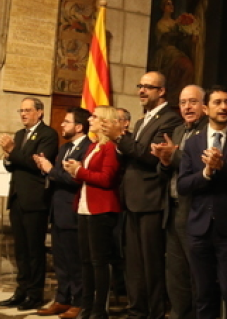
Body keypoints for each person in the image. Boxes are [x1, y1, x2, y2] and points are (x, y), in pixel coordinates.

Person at [178, 86, 227, 319]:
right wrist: (206, 173)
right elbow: (182, 185)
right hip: (199, 228)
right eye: (218, 102)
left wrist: (222, 168)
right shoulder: (193, 143)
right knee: (203, 293)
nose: (224, 107)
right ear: (205, 108)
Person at [116, 71, 183, 319]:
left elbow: (149, 156)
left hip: (151, 200)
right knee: (134, 264)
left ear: (161, 91)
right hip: (133, 199)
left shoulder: (170, 119)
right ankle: (137, 311)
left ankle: (154, 312)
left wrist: (119, 138)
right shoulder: (142, 120)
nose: (141, 91)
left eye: (148, 87)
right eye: (140, 86)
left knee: (151, 263)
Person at [147, 84, 208, 319]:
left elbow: (200, 164)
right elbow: (165, 171)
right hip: (173, 208)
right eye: (183, 103)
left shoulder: (208, 131)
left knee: (196, 272)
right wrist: (164, 161)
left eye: (193, 102)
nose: (187, 107)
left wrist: (173, 155)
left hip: (195, 209)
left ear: (204, 106)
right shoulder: (179, 131)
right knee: (175, 272)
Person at [0, 97, 59, 310]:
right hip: (17, 198)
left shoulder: (47, 134)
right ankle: (21, 291)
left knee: (34, 250)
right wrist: (8, 158)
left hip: (35, 200)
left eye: (27, 110)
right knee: (21, 250)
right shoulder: (19, 134)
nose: (23, 114)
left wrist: (12, 152)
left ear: (39, 112)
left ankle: (35, 294)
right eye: (21, 110)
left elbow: (36, 165)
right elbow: (14, 164)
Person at [64, 106, 122, 319]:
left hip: (102, 209)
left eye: (95, 117)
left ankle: (99, 310)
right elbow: (87, 174)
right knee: (86, 261)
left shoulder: (109, 147)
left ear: (105, 121)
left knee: (99, 262)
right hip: (85, 207)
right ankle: (86, 307)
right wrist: (75, 169)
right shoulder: (93, 146)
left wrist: (80, 171)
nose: (90, 119)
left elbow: (107, 179)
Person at [33, 107, 92, 319]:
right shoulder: (65, 147)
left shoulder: (87, 148)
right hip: (57, 210)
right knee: (61, 260)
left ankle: (79, 302)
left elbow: (76, 178)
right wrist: (45, 169)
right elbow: (58, 176)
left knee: (75, 261)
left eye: (67, 122)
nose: (62, 124)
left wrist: (51, 170)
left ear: (79, 126)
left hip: (73, 211)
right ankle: (62, 298)